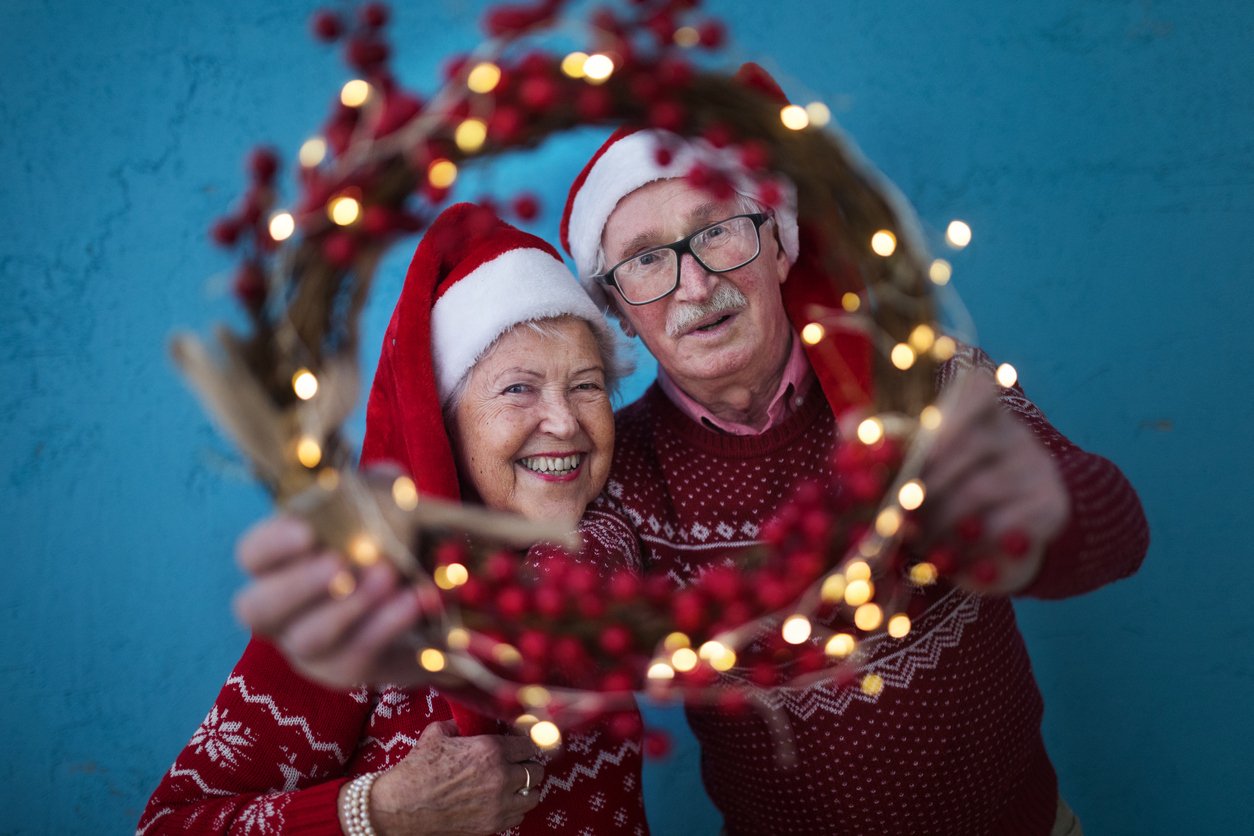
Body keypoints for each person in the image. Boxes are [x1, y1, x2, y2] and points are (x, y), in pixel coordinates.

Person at [230, 75, 1149, 835]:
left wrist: (1032, 505)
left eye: (718, 233)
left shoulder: (925, 384)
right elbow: (564, 598)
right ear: (619, 307)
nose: (694, 283)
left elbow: (1118, 539)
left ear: (778, 242)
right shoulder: (621, 471)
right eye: (645, 260)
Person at [138, 205, 648, 835]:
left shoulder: (613, 533)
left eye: (587, 386)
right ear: (445, 421)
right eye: (519, 389)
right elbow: (166, 826)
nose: (565, 422)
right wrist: (380, 812)